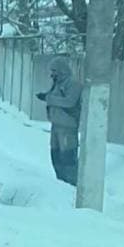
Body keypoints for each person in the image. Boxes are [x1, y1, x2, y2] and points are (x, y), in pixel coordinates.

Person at [36, 56, 82, 186]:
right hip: (56, 126)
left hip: (68, 127)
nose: (52, 74)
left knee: (67, 158)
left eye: (54, 71)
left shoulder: (73, 85)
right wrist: (45, 96)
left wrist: (49, 98)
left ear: (62, 70)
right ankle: (61, 184)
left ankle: (72, 185)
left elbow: (69, 102)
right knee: (55, 157)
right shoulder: (57, 85)